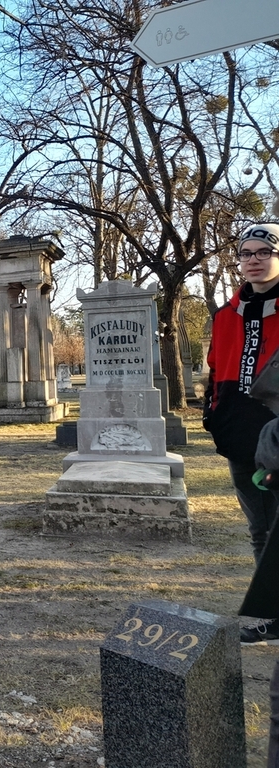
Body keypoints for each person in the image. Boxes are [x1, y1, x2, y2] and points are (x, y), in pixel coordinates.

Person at [204, 221, 279, 644]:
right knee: (261, 530)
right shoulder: (226, 315)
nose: (254, 260)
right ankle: (272, 614)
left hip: (278, 431)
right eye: (246, 253)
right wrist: (214, 415)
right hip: (240, 435)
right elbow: (217, 368)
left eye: (264, 252)